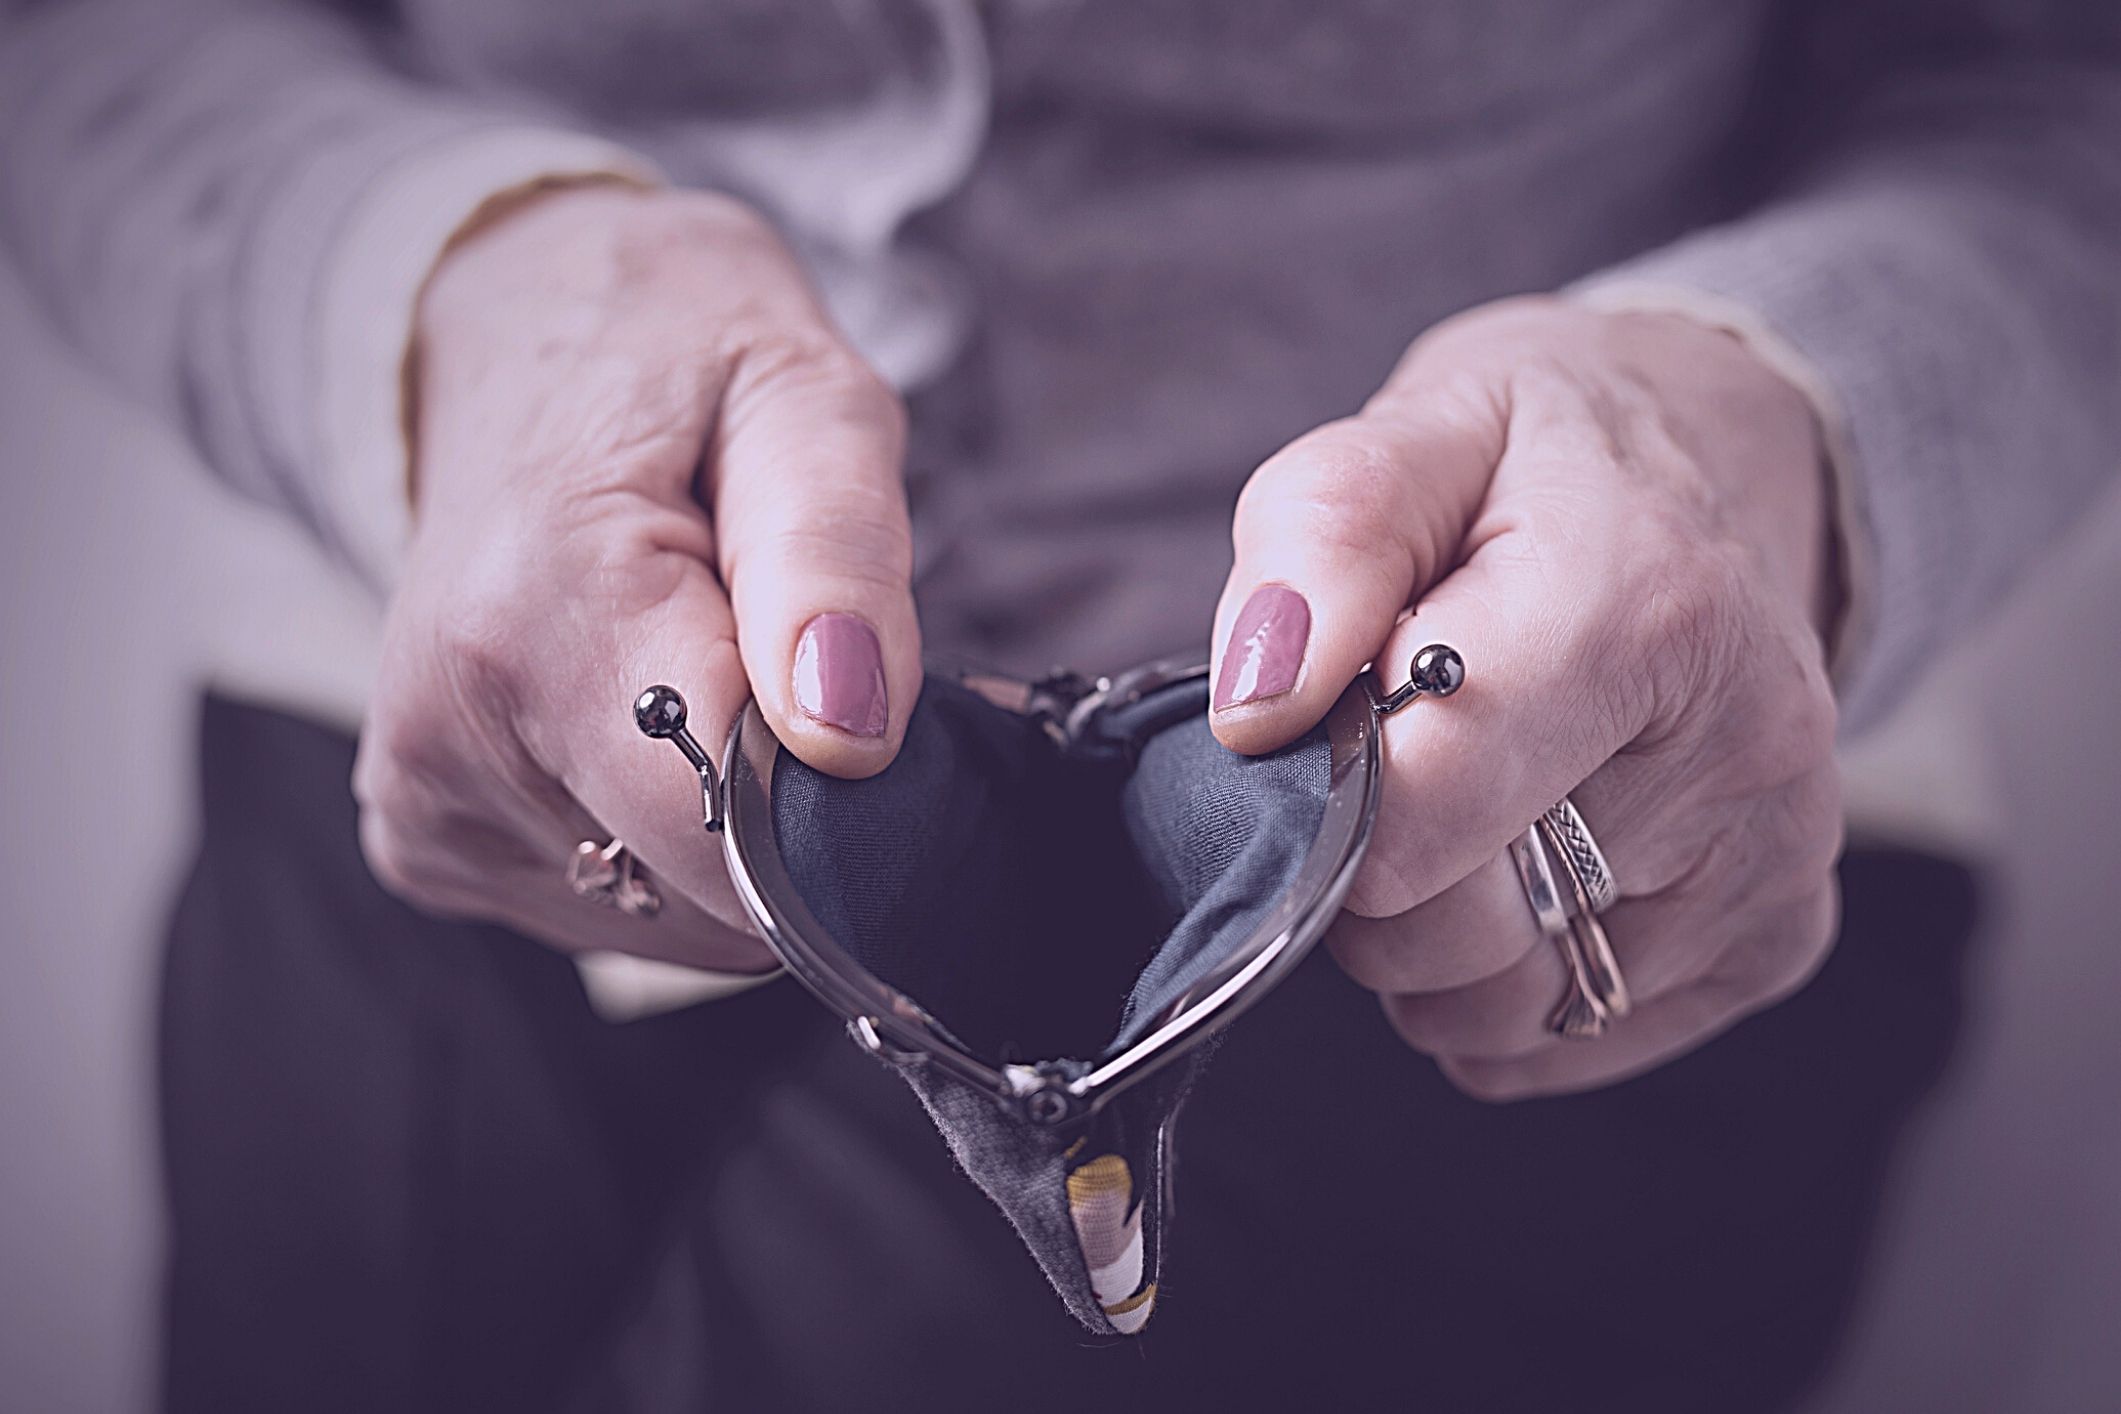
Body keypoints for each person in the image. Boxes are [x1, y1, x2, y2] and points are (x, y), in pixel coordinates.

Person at [2, 0, 2115, 1409]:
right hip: (470, 713)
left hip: (1521, 828)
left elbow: (2045, 84)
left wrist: (1765, 429)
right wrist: (439, 283)